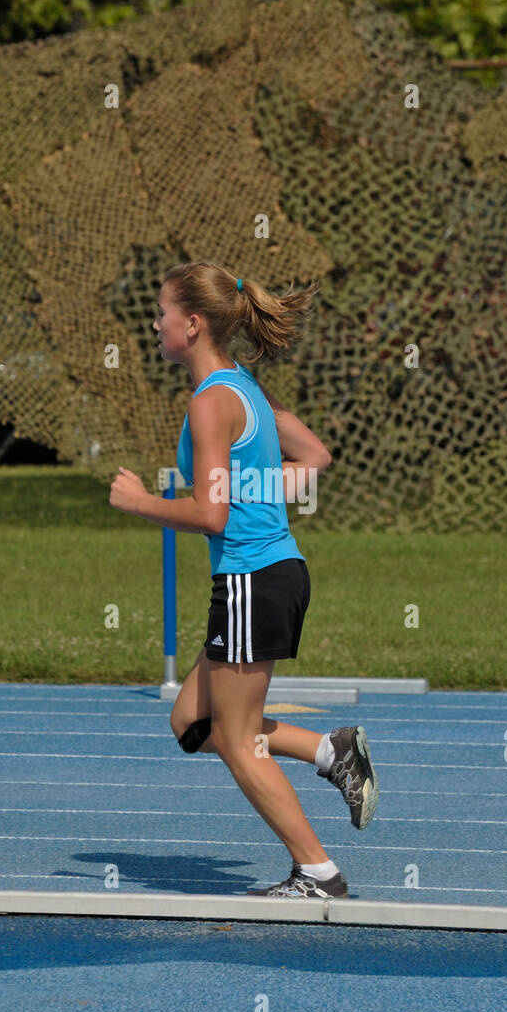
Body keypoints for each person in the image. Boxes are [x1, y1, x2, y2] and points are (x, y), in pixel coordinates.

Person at [109, 261, 378, 898]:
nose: (154, 324)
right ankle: (330, 752)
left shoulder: (210, 404)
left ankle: (319, 873)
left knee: (236, 741)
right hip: (277, 572)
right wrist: (260, 492)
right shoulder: (246, 386)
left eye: (162, 313)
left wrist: (142, 501)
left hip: (250, 580)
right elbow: (315, 459)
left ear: (192, 324)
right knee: (191, 726)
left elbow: (209, 513)